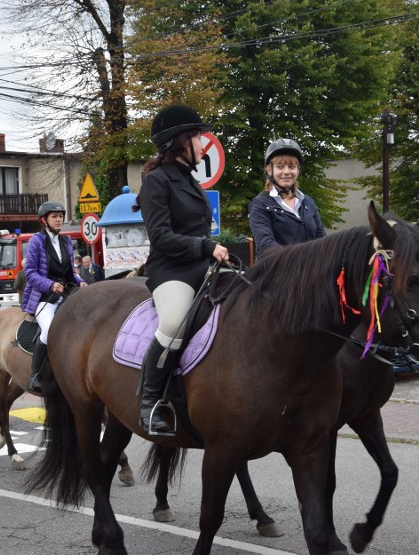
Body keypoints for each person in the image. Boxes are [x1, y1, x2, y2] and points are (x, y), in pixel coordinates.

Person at [136, 104, 228, 435]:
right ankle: (149, 403)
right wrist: (205, 247)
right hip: (171, 270)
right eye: (198, 138)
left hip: (203, 265)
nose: (204, 145)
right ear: (180, 142)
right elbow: (161, 237)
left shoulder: (189, 181)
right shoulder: (156, 183)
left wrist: (216, 253)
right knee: (174, 323)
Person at [21, 201, 87, 395]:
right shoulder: (36, 241)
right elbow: (31, 273)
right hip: (44, 298)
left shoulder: (66, 241)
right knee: (50, 330)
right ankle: (35, 375)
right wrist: (50, 284)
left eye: (60, 216)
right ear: (44, 220)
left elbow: (70, 273)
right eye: (54, 217)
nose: (59, 220)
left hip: (66, 294)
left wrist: (80, 280)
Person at [248, 138, 325, 260]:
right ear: (269, 170)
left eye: (291, 167)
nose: (286, 172)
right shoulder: (260, 204)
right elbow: (266, 246)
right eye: (280, 167)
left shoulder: (308, 202)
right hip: (275, 274)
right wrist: (304, 258)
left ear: (298, 170)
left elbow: (322, 239)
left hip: (309, 273)